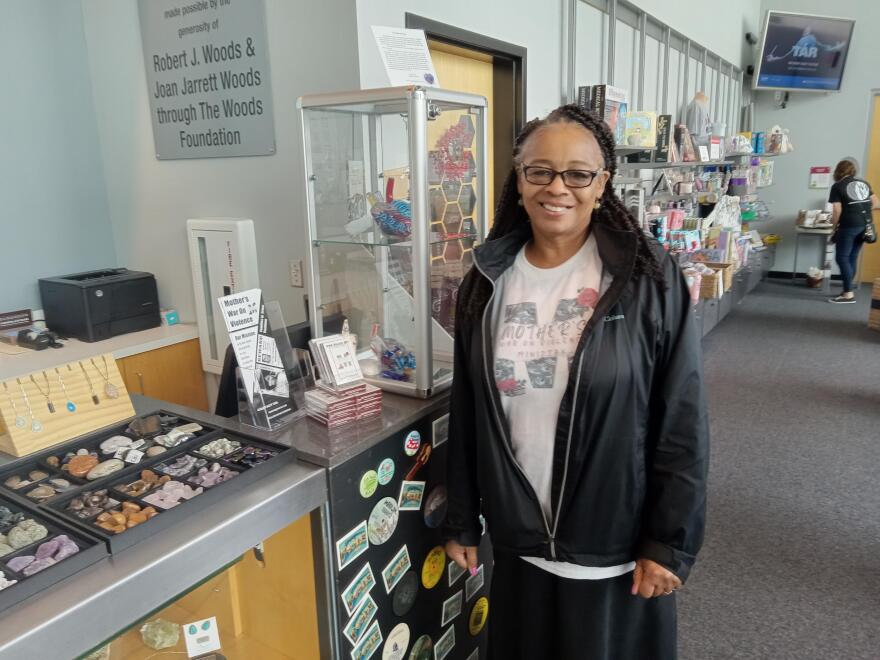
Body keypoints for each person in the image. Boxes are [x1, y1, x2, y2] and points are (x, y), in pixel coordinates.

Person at [442, 104, 709, 660]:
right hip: (520, 547)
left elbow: (681, 418)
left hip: (615, 548)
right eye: (539, 171)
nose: (556, 187)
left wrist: (670, 542)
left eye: (577, 173)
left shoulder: (646, 277)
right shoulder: (486, 280)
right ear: (518, 181)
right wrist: (464, 521)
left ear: (602, 182)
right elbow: (469, 413)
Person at [828, 158, 880, 304]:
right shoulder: (863, 183)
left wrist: (833, 228)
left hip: (849, 225)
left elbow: (837, 209)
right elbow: (876, 202)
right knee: (852, 257)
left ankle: (848, 294)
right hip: (865, 225)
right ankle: (847, 289)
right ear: (853, 171)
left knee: (842, 258)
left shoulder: (838, 186)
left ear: (838, 171)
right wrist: (862, 210)